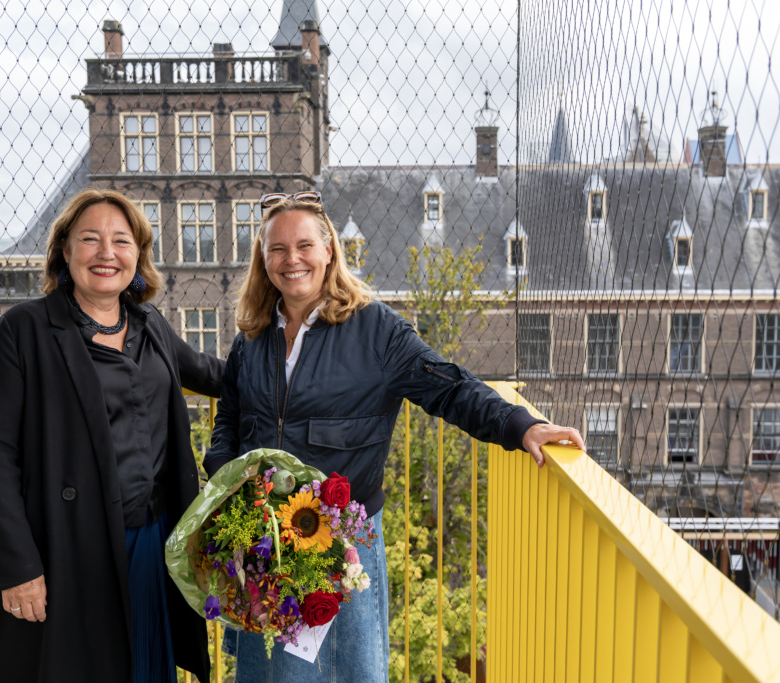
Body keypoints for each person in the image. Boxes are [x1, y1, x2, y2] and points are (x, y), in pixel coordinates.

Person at [203, 192, 584, 682]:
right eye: (276, 249)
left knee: (349, 673)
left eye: (303, 246)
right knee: (271, 673)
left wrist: (520, 425)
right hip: (267, 542)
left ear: (329, 252)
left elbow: (449, 387)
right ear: (263, 260)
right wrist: (222, 473)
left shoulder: (376, 330)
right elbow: (230, 416)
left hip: (344, 541)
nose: (290, 259)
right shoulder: (252, 337)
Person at [0, 188, 223, 682]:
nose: (107, 253)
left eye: (122, 241)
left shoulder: (149, 324)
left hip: (151, 540)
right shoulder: (22, 331)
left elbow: (216, 375)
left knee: (145, 668)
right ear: (65, 251)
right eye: (91, 239)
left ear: (138, 255)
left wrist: (301, 360)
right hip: (67, 549)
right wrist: (17, 567)